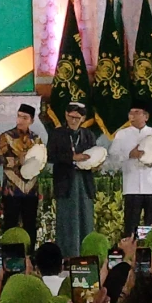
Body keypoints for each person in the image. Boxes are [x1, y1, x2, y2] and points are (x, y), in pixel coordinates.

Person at [109, 99, 152, 237]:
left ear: (145, 116)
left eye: (137, 113)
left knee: (151, 224)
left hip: (151, 185)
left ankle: (149, 250)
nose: (132, 116)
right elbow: (113, 155)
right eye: (131, 113)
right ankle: (131, 251)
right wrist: (130, 154)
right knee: (131, 223)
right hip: (132, 185)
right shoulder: (122, 134)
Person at [47, 102, 97, 257]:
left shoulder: (88, 135)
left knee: (85, 218)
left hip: (84, 182)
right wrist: (72, 158)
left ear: (83, 118)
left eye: (77, 117)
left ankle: (86, 255)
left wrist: (96, 164)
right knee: (67, 220)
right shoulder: (57, 134)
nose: (73, 120)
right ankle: (67, 256)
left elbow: (95, 155)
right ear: (65, 116)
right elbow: (50, 156)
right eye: (70, 116)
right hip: (66, 183)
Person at [0, 103, 42, 253]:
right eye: (19, 116)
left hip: (31, 189)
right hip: (12, 189)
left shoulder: (36, 139)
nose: (21, 120)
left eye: (25, 117)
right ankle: (9, 257)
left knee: (30, 225)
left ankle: (30, 256)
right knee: (10, 225)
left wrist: (30, 162)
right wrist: (18, 161)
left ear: (31, 120)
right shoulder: (6, 136)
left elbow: (41, 161)